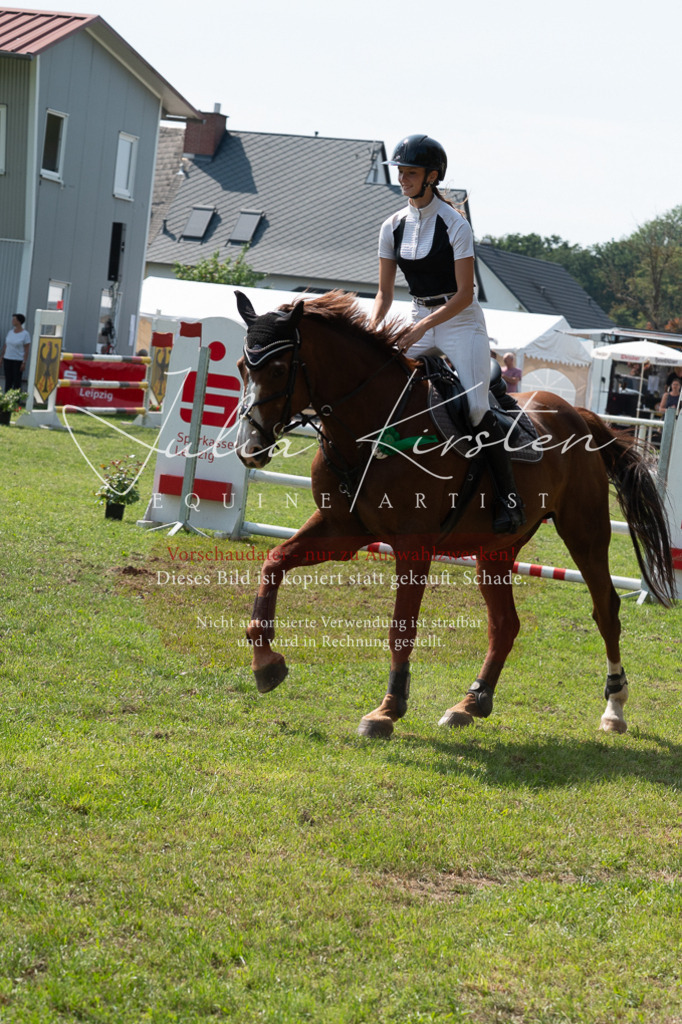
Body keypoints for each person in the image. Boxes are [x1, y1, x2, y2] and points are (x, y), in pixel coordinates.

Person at [369, 134, 525, 533]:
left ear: (432, 176)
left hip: (460, 322)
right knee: (380, 383)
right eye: (401, 172)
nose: (402, 179)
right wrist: (372, 331)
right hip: (417, 315)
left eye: (411, 173)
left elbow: (465, 294)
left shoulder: (456, 224)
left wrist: (422, 326)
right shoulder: (391, 226)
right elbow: (384, 293)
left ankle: (508, 500)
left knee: (475, 409)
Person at [1, 314, 30, 393]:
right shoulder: (10, 332)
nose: (12, 321)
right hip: (7, 358)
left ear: (19, 321)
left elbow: (26, 349)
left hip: (17, 360)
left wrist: (24, 362)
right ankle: (7, 397)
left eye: (14, 319)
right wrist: (2, 357)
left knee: (16, 380)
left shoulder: (25, 334)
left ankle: (16, 397)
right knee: (8, 380)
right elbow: (6, 345)